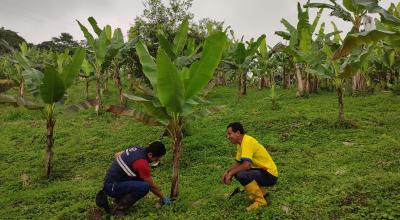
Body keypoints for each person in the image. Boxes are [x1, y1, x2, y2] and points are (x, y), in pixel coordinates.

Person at [98, 141, 171, 215]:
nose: (157, 161)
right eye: (156, 158)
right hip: (111, 187)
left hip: (111, 181)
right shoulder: (141, 163)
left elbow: (117, 154)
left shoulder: (136, 149)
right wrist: (163, 197)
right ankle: (119, 210)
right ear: (150, 154)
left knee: (140, 178)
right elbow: (151, 186)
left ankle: (119, 199)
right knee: (144, 186)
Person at [221, 122, 278, 211]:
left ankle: (260, 202)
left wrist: (231, 173)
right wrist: (227, 172)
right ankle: (263, 193)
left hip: (269, 174)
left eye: (229, 133)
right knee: (238, 172)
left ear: (238, 133)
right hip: (262, 171)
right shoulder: (240, 144)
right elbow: (238, 163)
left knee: (242, 174)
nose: (228, 137)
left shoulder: (247, 142)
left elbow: (246, 166)